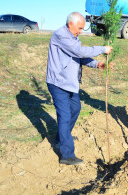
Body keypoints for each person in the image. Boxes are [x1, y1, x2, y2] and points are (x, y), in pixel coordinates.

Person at [46, 12, 113, 165]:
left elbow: (80, 57)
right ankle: (67, 155)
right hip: (58, 83)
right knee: (65, 116)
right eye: (80, 28)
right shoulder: (60, 35)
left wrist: (97, 64)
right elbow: (79, 51)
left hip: (70, 83)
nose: (81, 31)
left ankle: (63, 137)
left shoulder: (73, 37)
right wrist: (102, 48)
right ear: (71, 24)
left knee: (75, 108)